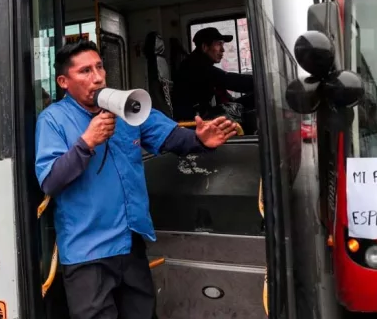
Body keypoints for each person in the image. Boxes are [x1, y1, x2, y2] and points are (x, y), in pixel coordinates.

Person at [34, 40, 239, 319]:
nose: (97, 77)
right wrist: (87, 142)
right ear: (63, 82)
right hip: (87, 252)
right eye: (84, 71)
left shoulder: (123, 106)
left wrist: (199, 139)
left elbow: (168, 136)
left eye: (99, 67)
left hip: (129, 243)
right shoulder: (53, 120)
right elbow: (51, 181)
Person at [171, 27, 254, 123]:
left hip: (202, 114)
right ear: (205, 47)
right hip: (196, 120)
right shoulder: (196, 66)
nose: (223, 50)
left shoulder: (198, 63)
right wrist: (261, 81)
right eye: (219, 44)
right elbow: (230, 80)